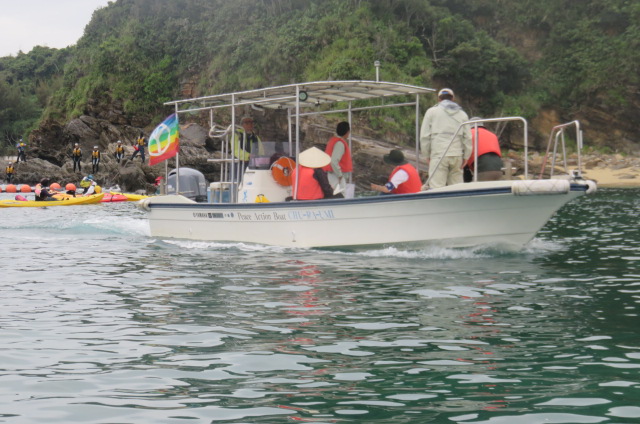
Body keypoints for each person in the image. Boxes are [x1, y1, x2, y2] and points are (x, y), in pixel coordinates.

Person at [420, 88, 472, 189]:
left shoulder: (431, 112)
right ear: (452, 99)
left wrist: (426, 154)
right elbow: (468, 138)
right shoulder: (462, 114)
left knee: (437, 187)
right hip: (457, 155)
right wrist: (466, 157)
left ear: (439, 99)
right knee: (457, 188)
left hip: (439, 154)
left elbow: (425, 136)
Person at [465, 118, 504, 182]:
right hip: (499, 169)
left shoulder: (469, 134)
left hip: (483, 170)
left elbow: (464, 158)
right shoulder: (492, 135)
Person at [322, 121, 353, 195]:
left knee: (333, 193)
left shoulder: (332, 141)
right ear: (347, 132)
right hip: (336, 175)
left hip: (331, 173)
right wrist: (340, 176)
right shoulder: (340, 144)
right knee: (341, 195)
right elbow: (334, 161)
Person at [231, 116, 263, 181]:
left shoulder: (255, 137)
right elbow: (235, 150)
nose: (250, 124)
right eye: (247, 123)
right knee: (238, 182)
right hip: (239, 164)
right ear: (242, 125)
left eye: (251, 122)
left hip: (252, 164)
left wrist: (261, 159)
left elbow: (261, 151)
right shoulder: (237, 135)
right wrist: (248, 155)